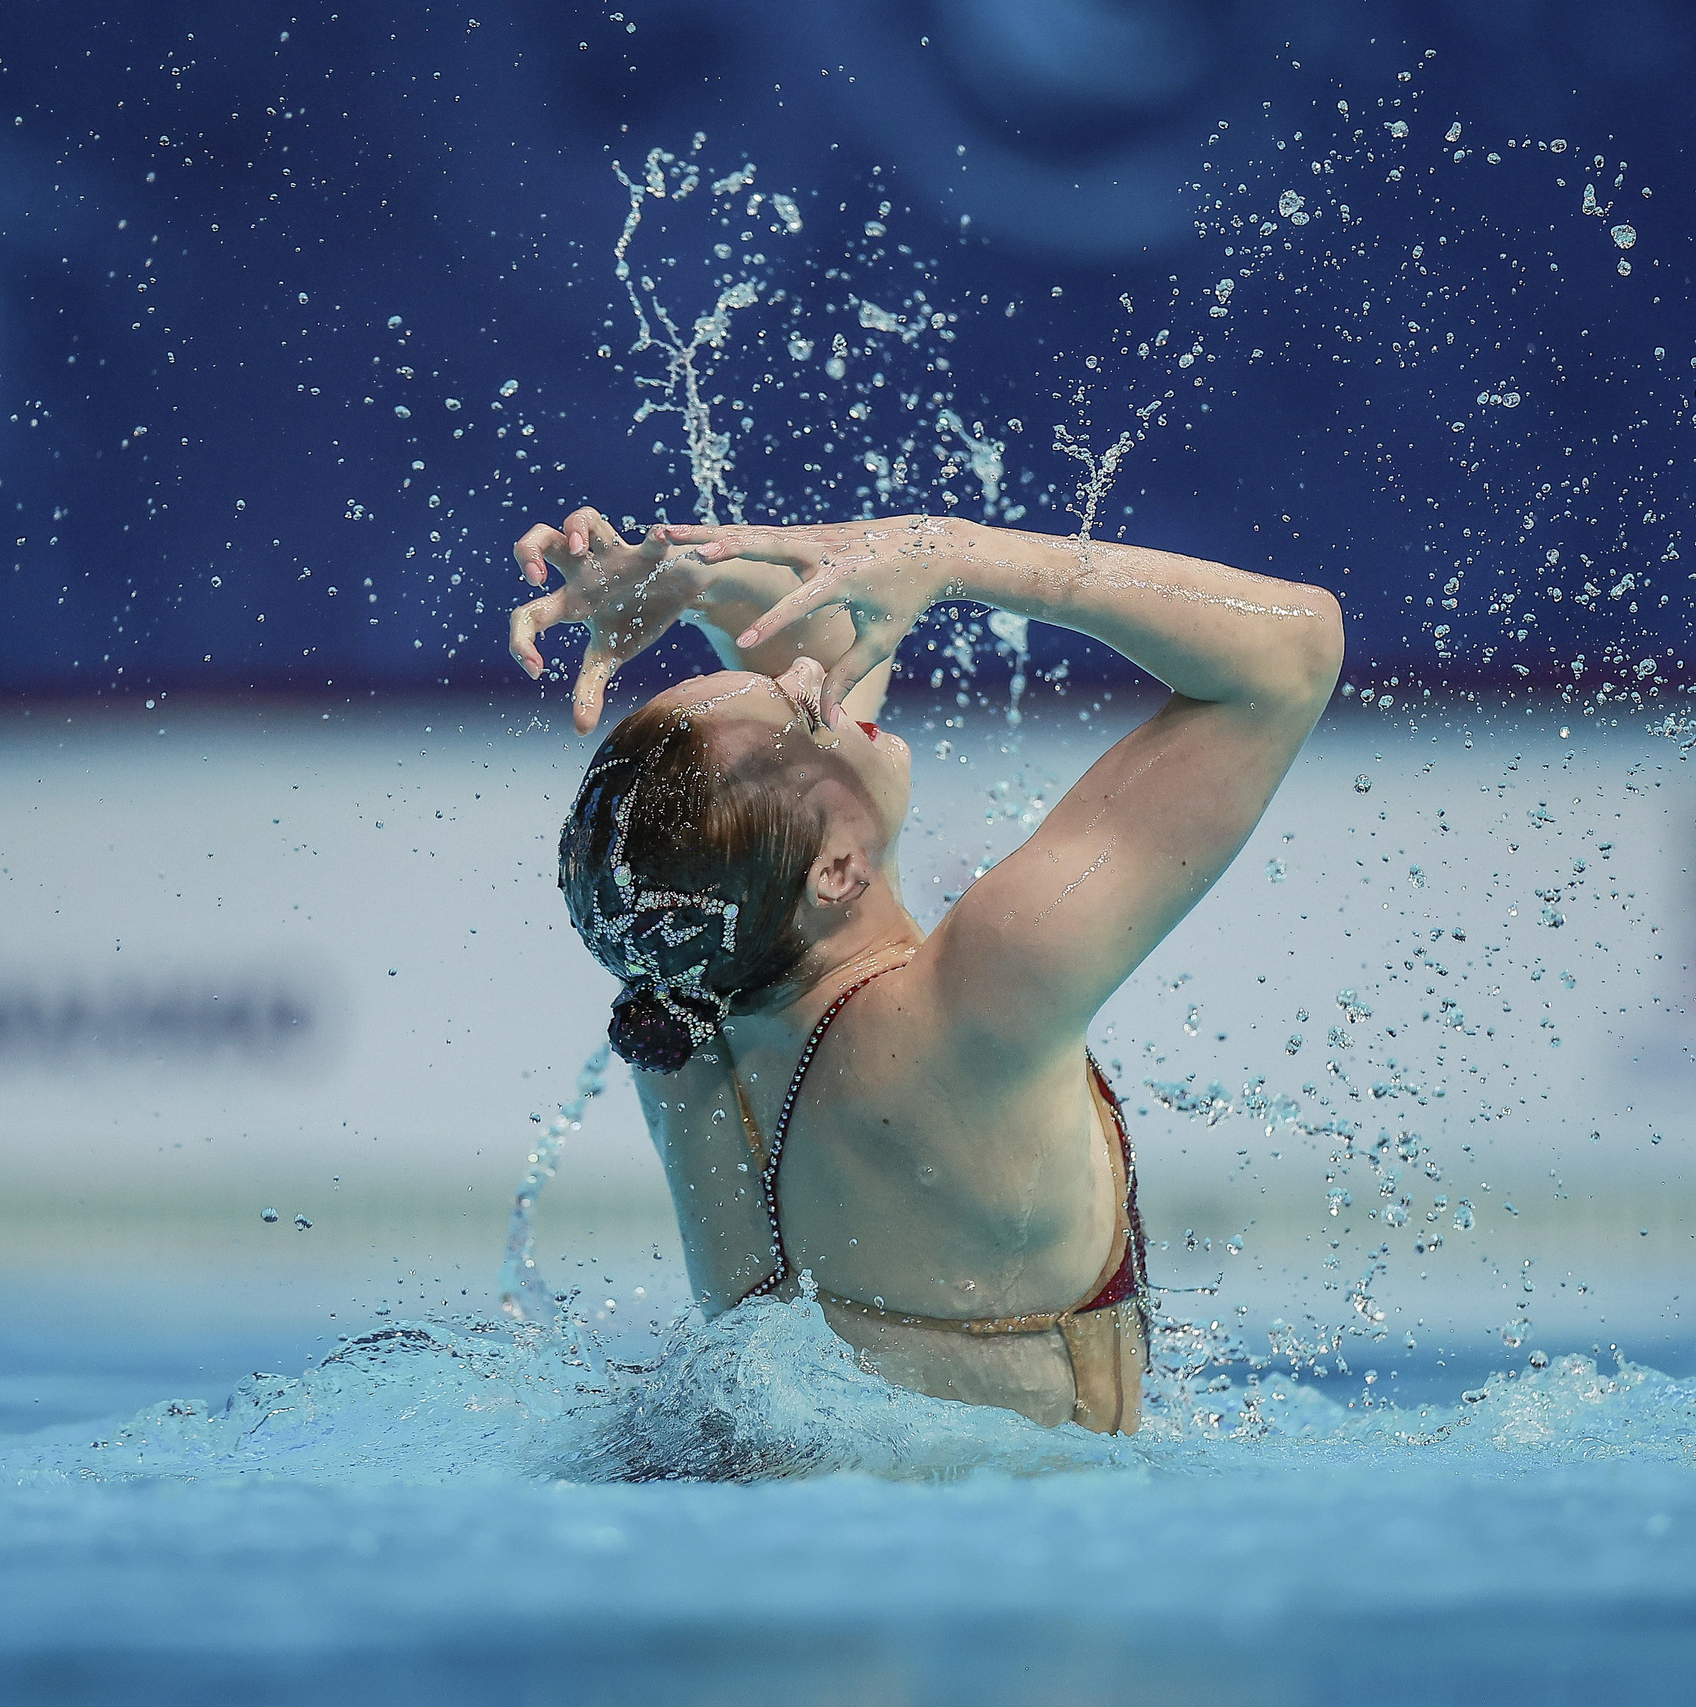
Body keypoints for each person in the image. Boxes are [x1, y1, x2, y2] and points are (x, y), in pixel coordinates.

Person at [508, 507, 1343, 1433]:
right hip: (1017, 1546)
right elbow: (1293, 653)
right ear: (834, 872)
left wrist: (700, 580)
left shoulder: (681, 1009)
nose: (808, 675)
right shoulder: (976, 1003)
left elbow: (830, 642)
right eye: (798, 703)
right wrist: (950, 552)